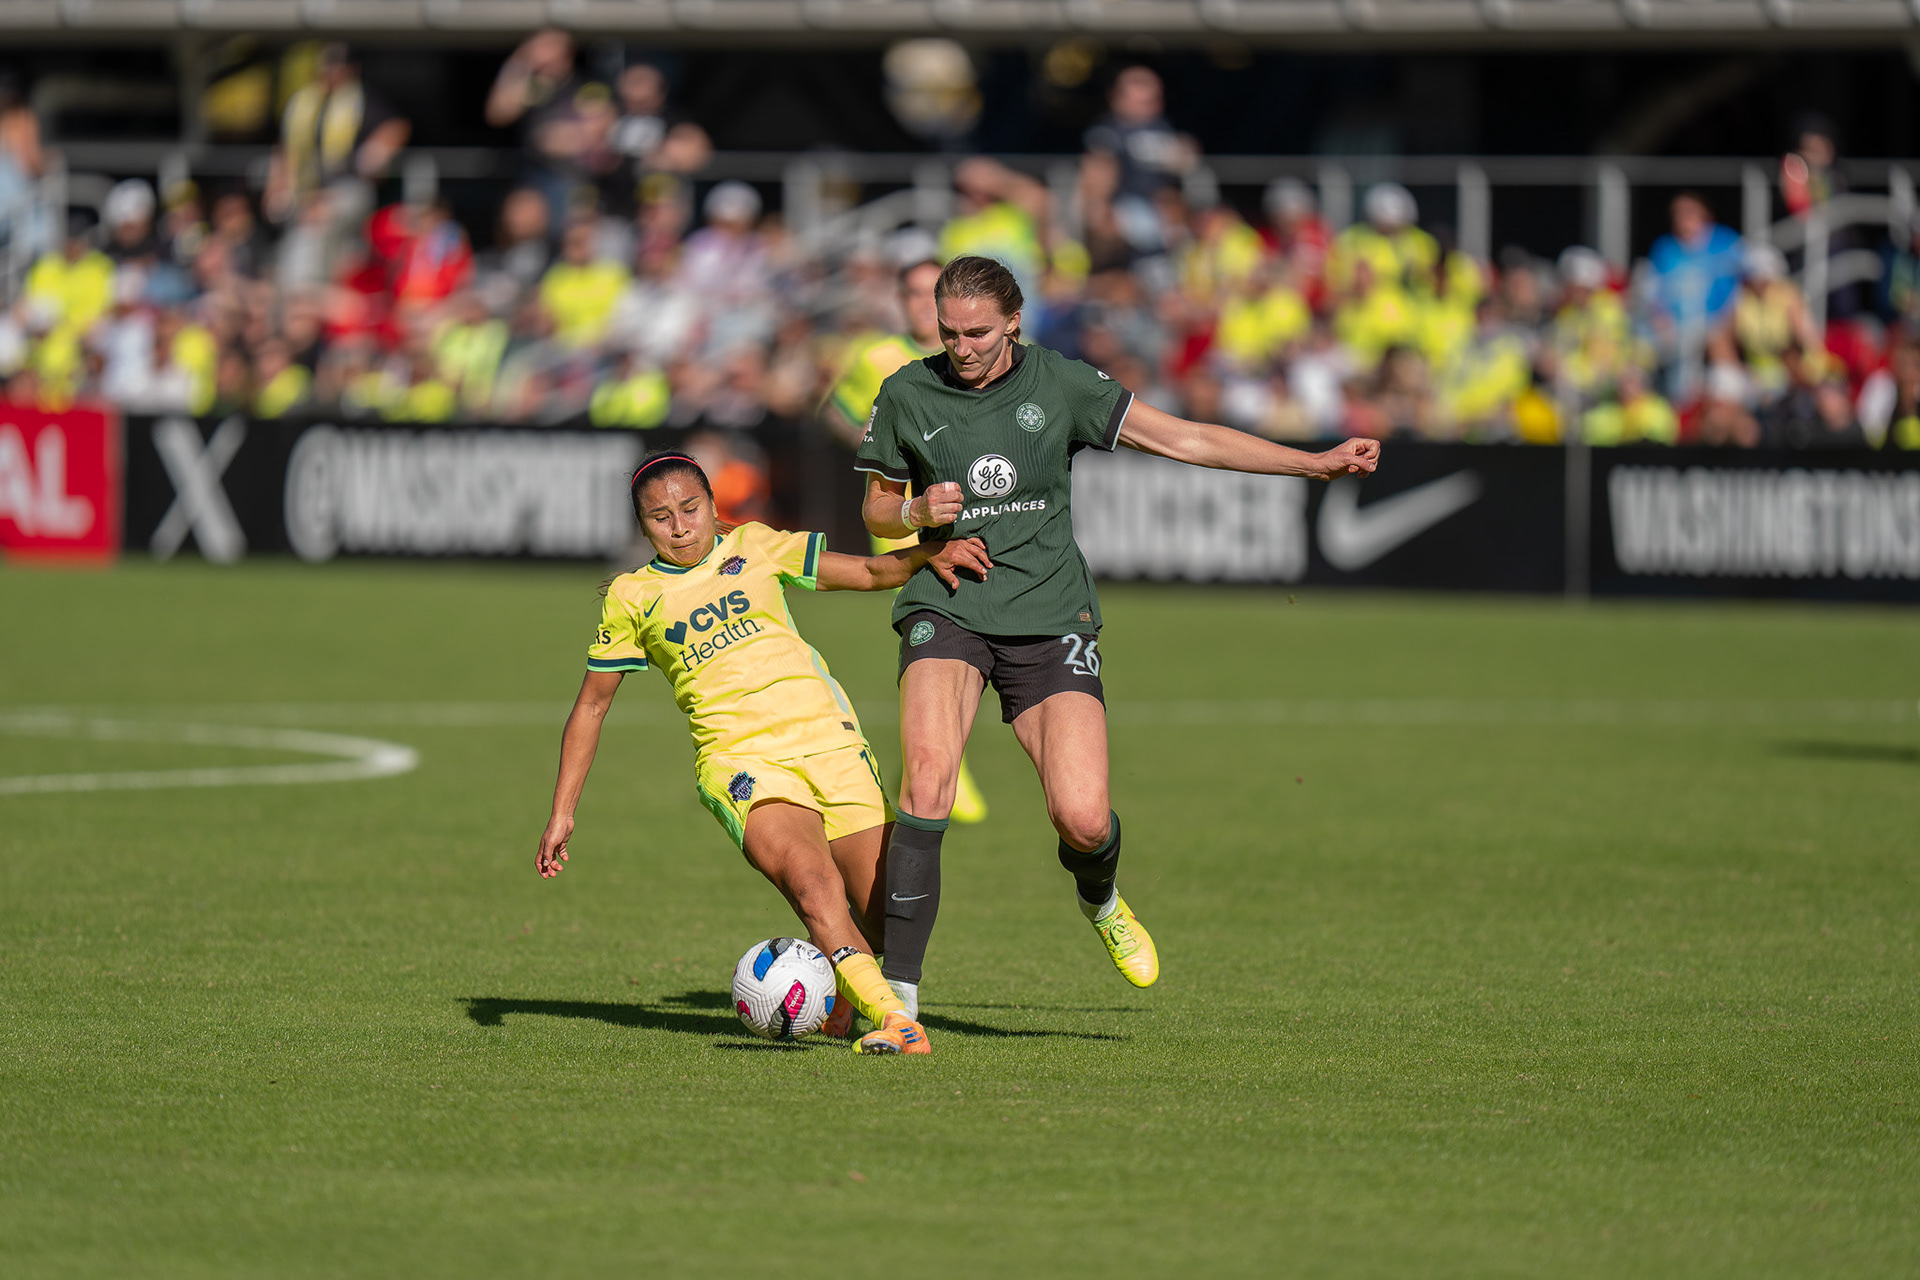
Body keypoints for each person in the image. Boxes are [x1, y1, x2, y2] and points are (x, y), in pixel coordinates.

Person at [854, 255, 1380, 1015]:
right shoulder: (907, 391)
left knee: (1084, 817)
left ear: (1013, 322)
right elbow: (875, 507)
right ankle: (896, 998)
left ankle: (1100, 901)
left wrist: (1312, 463)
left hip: (1048, 613)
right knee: (928, 778)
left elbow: (1187, 440)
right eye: (948, 332)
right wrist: (914, 518)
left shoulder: (1062, 384)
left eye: (977, 332)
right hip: (950, 604)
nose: (961, 347)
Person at [537, 450, 993, 1055]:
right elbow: (591, 706)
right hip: (742, 761)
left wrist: (925, 555)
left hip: (828, 740)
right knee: (810, 883)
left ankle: (837, 979)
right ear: (642, 526)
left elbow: (865, 571)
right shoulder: (631, 597)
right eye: (660, 517)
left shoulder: (755, 545)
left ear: (712, 506)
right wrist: (564, 809)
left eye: (691, 509)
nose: (679, 527)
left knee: (888, 916)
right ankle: (894, 1019)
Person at [826, 256, 992, 825]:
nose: (923, 302)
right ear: (899, 300)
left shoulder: (975, 353)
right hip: (904, 513)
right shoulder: (874, 357)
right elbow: (838, 411)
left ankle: (928, 765)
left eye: (933, 291)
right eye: (914, 292)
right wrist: (881, 441)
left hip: (973, 504)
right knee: (932, 620)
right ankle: (949, 771)